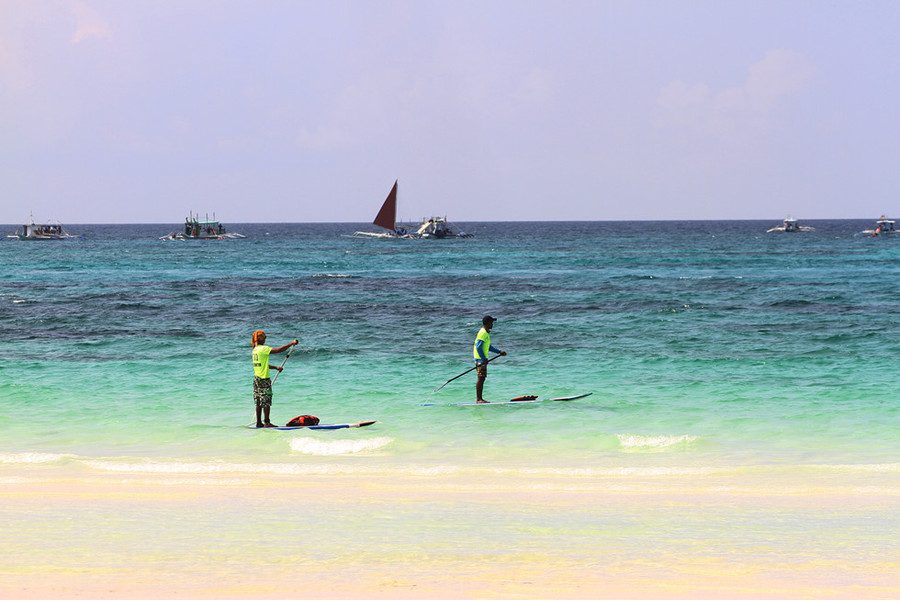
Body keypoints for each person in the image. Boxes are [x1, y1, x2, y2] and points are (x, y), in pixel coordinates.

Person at [251, 330, 298, 427]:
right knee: (266, 400)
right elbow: (278, 350)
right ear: (262, 339)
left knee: (259, 401)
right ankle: (267, 422)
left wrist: (276, 367)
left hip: (256, 379)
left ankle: (259, 422)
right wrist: (291, 343)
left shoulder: (255, 350)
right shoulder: (263, 349)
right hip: (264, 379)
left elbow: (263, 365)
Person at [473, 315, 507, 403]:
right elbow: (479, 347)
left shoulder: (486, 333)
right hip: (480, 359)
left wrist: (499, 351)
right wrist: (483, 359)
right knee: (481, 378)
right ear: (487, 323)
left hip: (481, 359)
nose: (492, 324)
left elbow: (488, 346)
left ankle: (479, 399)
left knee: (482, 378)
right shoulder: (483, 333)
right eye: (491, 323)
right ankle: (479, 399)